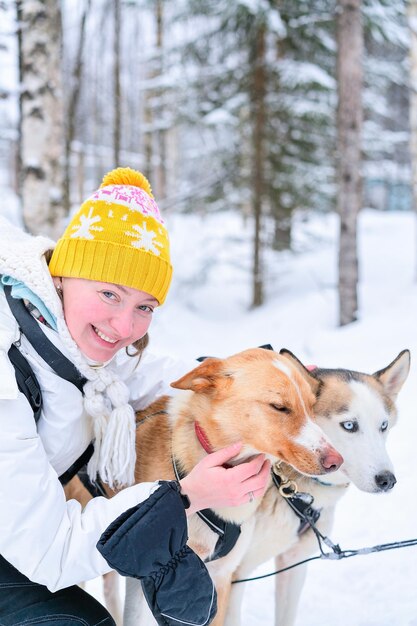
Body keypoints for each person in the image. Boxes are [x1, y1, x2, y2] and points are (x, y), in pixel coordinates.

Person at [0, 167, 270, 626]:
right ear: (62, 275)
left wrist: (258, 384)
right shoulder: (9, 369)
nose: (124, 328)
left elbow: (157, 374)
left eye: (144, 307)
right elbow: (51, 549)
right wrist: (182, 498)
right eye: (109, 294)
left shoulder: (74, 341)